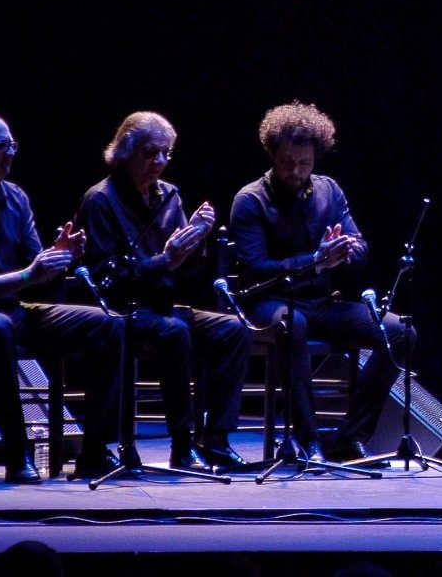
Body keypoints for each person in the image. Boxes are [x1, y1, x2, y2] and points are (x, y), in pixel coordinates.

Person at [229, 100, 413, 465]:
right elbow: (254, 269)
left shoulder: (330, 190)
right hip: (270, 300)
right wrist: (314, 260)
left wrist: (344, 251)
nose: (296, 171)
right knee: (292, 324)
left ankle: (352, 435)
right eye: (287, 163)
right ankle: (307, 438)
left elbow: (361, 247)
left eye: (304, 164)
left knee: (401, 332)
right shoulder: (250, 200)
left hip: (321, 301)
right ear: (272, 154)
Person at [0, 113, 124, 483]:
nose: (9, 154)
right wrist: (29, 274)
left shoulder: (16, 198)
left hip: (16, 308)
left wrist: (60, 257)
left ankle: (95, 451)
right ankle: (17, 451)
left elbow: (35, 269)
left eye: (12, 145)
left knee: (108, 324)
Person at [76, 111, 252, 473]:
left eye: (165, 154)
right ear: (125, 152)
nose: (158, 162)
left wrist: (195, 242)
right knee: (175, 331)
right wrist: (165, 260)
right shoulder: (101, 201)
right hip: (120, 310)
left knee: (234, 329)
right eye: (149, 153)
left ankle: (215, 439)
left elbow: (187, 269)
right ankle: (182, 444)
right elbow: (105, 276)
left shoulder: (170, 195)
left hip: (163, 305)